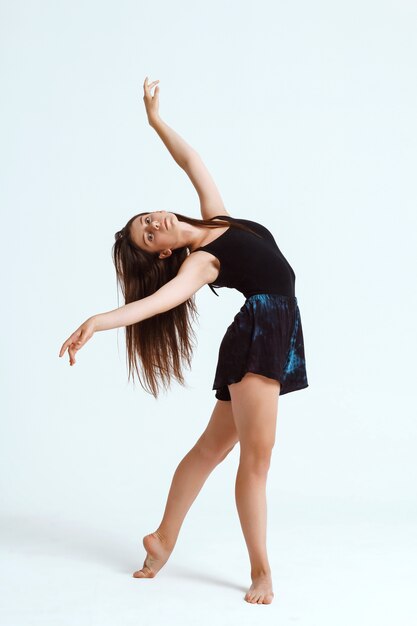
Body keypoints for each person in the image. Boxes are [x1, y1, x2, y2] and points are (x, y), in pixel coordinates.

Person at [59, 76, 309, 605]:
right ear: (163, 256)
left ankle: (162, 540)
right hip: (260, 338)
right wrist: (99, 321)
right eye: (147, 236)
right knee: (256, 464)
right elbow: (155, 304)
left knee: (210, 450)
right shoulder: (200, 263)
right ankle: (261, 572)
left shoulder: (216, 219)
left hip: (268, 334)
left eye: (146, 220)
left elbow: (191, 161)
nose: (154, 225)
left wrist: (155, 122)